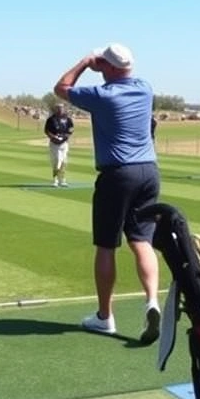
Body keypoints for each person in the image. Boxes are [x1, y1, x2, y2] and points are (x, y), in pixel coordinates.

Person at [54, 42, 162, 345]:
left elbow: (61, 88)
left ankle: (105, 317)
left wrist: (86, 63)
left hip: (118, 175)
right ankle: (152, 300)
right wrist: (106, 66)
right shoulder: (145, 88)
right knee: (142, 241)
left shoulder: (102, 96)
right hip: (149, 172)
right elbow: (119, 73)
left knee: (106, 245)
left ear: (110, 67)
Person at [44, 103, 75, 187]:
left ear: (64, 109)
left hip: (64, 143)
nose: (60, 109)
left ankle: (62, 180)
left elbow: (71, 128)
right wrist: (53, 137)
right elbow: (47, 130)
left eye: (61, 108)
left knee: (64, 162)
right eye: (58, 108)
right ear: (55, 109)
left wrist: (66, 135)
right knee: (57, 161)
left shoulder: (67, 119)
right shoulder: (51, 119)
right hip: (54, 144)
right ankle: (55, 180)